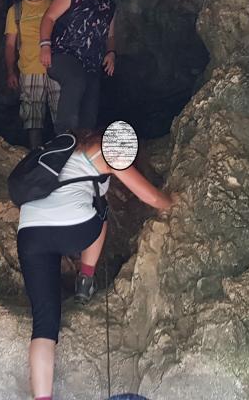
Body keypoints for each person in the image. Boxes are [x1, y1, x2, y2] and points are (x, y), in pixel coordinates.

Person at [17, 129, 174, 400]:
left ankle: (42, 397)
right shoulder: (108, 151)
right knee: (101, 208)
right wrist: (174, 203)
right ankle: (85, 280)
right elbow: (151, 198)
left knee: (44, 323)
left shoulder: (63, 150)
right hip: (73, 230)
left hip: (30, 233)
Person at [38, 0, 116, 135]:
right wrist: (45, 45)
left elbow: (110, 36)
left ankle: (83, 142)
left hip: (91, 64)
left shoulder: (110, 7)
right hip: (63, 55)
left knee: (90, 109)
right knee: (76, 79)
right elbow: (49, 17)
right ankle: (64, 134)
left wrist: (111, 53)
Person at [5, 0, 61, 150]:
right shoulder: (16, 11)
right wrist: (11, 72)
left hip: (55, 68)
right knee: (33, 120)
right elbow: (10, 44)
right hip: (29, 70)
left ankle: (63, 155)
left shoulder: (53, 4)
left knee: (62, 117)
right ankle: (35, 156)